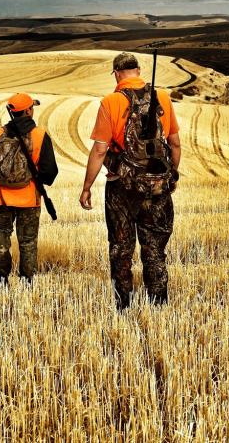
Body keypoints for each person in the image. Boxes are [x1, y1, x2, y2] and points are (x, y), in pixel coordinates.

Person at [80, 52, 182, 310]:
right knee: (155, 250)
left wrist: (87, 187)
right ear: (138, 70)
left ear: (116, 73)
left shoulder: (111, 102)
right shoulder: (164, 98)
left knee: (121, 249)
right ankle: (158, 304)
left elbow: (101, 149)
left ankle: (122, 303)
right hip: (158, 187)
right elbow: (175, 144)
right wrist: (171, 175)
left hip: (121, 186)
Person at [0, 93, 58, 285]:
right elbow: (50, 173)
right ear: (27, 111)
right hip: (29, 200)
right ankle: (27, 280)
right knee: (28, 241)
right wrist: (36, 178)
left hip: (1, 198)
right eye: (31, 107)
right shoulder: (40, 135)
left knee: (1, 236)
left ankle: (0, 277)